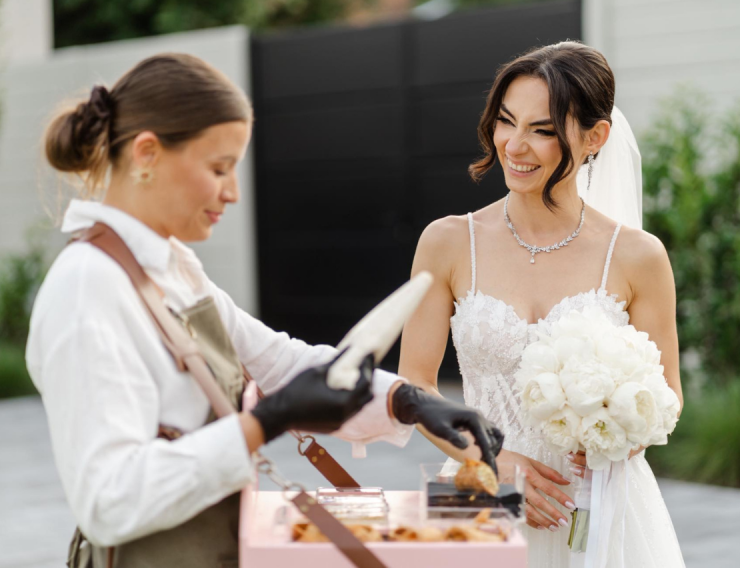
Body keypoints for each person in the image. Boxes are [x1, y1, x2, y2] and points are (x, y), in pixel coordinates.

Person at [26, 52, 503, 568]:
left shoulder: (174, 267)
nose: (232, 192)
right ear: (147, 154)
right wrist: (267, 421)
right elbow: (109, 500)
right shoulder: (87, 287)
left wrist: (404, 399)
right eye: (219, 168)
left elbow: (279, 363)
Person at [398, 42, 685, 567]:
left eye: (543, 130)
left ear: (595, 138)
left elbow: (667, 396)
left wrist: (615, 437)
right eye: (506, 121)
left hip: (596, 503)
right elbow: (414, 386)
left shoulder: (639, 256)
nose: (514, 145)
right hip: (477, 488)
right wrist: (494, 461)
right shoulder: (447, 242)